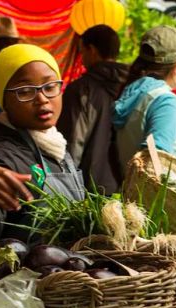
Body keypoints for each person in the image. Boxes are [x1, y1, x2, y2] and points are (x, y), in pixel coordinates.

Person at [0, 44, 86, 254]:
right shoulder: (0, 154)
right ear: (3, 100)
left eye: (50, 87)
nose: (42, 98)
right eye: (25, 91)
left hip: (67, 278)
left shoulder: (55, 144)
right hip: (23, 281)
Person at [113, 26, 176, 171]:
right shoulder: (166, 103)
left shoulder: (134, 92)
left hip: (133, 189)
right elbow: (153, 161)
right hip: (160, 192)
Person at [59, 24, 129, 194]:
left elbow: (73, 142)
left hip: (91, 190)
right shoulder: (134, 85)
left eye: (82, 52)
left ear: (92, 50)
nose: (82, 59)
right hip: (129, 187)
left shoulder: (82, 89)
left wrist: (66, 189)